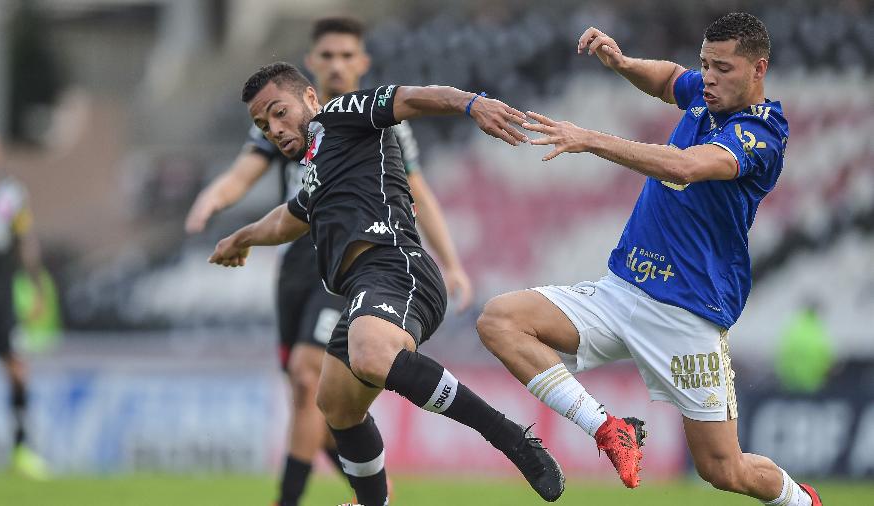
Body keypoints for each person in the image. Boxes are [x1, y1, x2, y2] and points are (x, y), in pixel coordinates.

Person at [476, 12, 824, 506]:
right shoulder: (705, 96)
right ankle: (608, 428)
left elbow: (685, 166)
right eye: (705, 64)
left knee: (724, 469)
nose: (708, 77)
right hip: (620, 292)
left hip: (687, 313)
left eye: (722, 68)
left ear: (758, 69)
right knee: (500, 320)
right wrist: (621, 63)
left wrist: (591, 138)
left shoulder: (760, 134)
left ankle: (801, 502)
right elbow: (666, 79)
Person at [209, 62, 565, 505]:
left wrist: (471, 103)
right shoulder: (318, 169)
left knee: (372, 354)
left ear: (309, 99)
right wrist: (239, 239)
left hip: (398, 267)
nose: (274, 129)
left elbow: (409, 98)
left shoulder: (339, 115)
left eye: (279, 113)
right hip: (363, 289)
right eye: (263, 125)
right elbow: (287, 218)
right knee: (335, 405)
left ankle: (510, 437)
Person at [184, 17, 472, 506]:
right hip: (294, 265)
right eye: (327, 55)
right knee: (314, 408)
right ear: (312, 63)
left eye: (347, 56)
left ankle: (290, 499)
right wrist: (213, 201)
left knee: (304, 377)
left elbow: (418, 193)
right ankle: (375, 493)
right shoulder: (282, 122)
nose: (337, 65)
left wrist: (452, 262)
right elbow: (242, 176)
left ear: (361, 62)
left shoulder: (379, 122)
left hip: (345, 264)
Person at [0, 133, 49, 480]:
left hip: (0, 296)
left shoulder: (10, 196)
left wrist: (35, 288)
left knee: (16, 368)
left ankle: (22, 448)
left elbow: (25, 241)